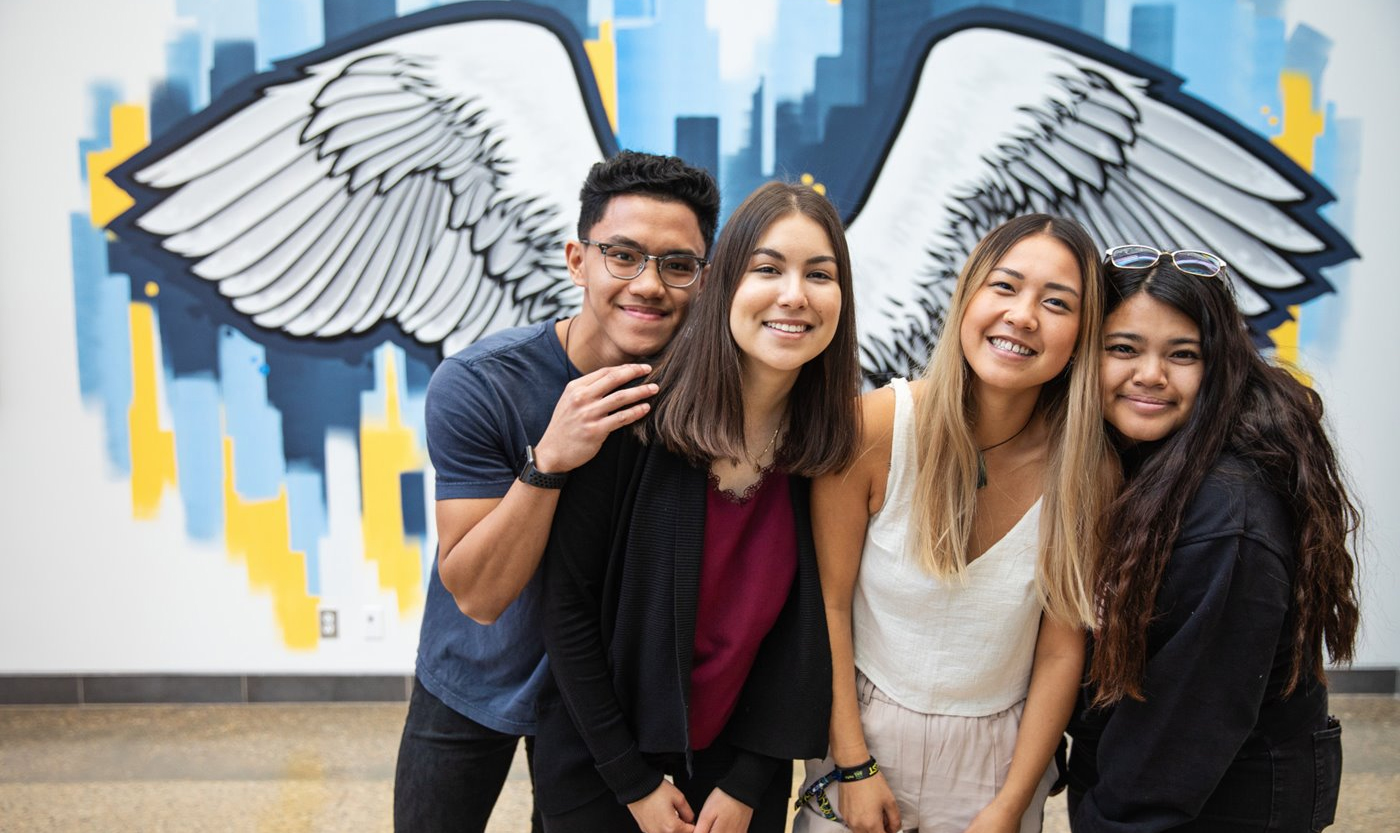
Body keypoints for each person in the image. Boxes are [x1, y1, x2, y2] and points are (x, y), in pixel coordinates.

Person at [394, 151, 721, 833]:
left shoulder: (705, 401)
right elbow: (480, 596)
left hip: (600, 700)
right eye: (623, 255)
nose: (649, 284)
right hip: (470, 677)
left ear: (705, 278)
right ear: (578, 260)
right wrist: (549, 458)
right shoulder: (481, 385)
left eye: (678, 264)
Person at [535, 181, 863, 833]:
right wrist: (632, 780)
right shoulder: (635, 413)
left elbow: (800, 632)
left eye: (818, 275)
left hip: (741, 779)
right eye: (767, 269)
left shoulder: (823, 447)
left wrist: (747, 780)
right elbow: (565, 602)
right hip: (606, 769)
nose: (793, 295)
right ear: (723, 286)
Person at [797, 214, 1116, 833]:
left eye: (1057, 303)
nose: (1023, 315)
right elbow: (828, 609)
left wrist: (1009, 805)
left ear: (1082, 336)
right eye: (1004, 286)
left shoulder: (1088, 471)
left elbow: (1058, 650)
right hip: (862, 735)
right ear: (966, 295)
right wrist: (853, 765)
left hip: (1001, 751)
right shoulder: (874, 429)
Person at [1064, 246, 1360, 832]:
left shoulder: (1227, 519)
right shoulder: (1138, 461)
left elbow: (1176, 739)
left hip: (1217, 808)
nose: (1150, 374)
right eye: (1124, 348)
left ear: (1219, 367)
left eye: (1183, 354)